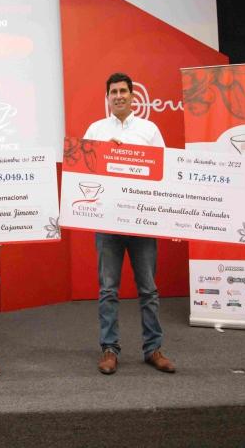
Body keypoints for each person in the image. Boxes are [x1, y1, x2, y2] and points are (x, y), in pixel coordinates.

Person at [84, 72, 175, 375]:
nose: (119, 96)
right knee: (108, 290)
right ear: (107, 97)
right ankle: (109, 349)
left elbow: (164, 169)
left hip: (141, 221)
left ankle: (153, 349)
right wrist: (103, 153)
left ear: (133, 96)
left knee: (148, 290)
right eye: (113, 92)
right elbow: (82, 170)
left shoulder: (149, 129)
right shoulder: (96, 130)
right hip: (107, 220)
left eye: (123, 91)